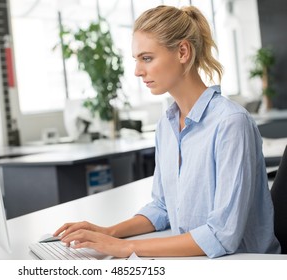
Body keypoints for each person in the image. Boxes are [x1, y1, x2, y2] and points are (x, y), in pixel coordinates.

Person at [54, 5, 281, 258]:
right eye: (137, 60)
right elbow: (162, 208)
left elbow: (221, 235)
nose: (138, 71)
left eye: (147, 58)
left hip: (245, 264)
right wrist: (109, 232)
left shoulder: (231, 123)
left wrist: (125, 248)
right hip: (197, 261)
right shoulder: (167, 125)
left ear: (183, 51)